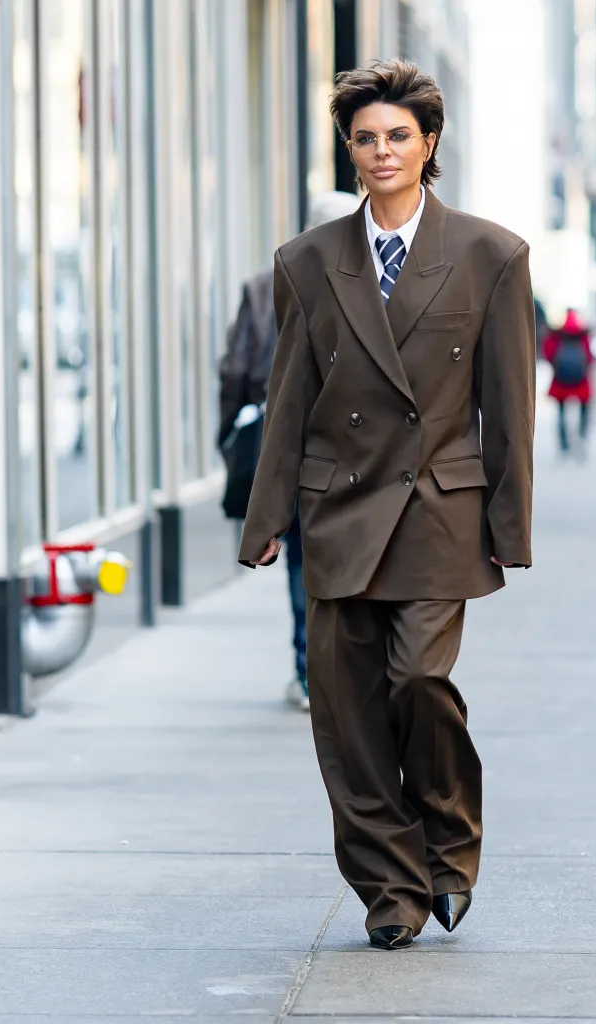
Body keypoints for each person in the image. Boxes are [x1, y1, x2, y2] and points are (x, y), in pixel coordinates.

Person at [238, 58, 536, 951]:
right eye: (365, 137)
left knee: (416, 681)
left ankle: (449, 842)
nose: (380, 151)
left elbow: (508, 406)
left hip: (440, 511)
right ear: (349, 149)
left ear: (428, 144)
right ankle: (391, 889)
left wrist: (510, 527)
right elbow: (288, 399)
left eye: (397, 135)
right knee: (346, 710)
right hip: (339, 510)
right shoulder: (309, 261)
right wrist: (263, 523)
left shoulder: (491, 255)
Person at [219, 192, 361, 712]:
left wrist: (230, 433)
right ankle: (346, 667)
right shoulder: (371, 287)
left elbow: (235, 369)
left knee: (301, 559)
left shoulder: (264, 286)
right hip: (352, 451)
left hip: (287, 447)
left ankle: (309, 673)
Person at [543, 308, 592, 456]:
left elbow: (548, 351)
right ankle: (581, 437)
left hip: (561, 379)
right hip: (580, 380)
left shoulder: (557, 334)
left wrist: (556, 366)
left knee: (561, 411)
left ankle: (564, 443)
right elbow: (589, 355)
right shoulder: (582, 334)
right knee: (584, 409)